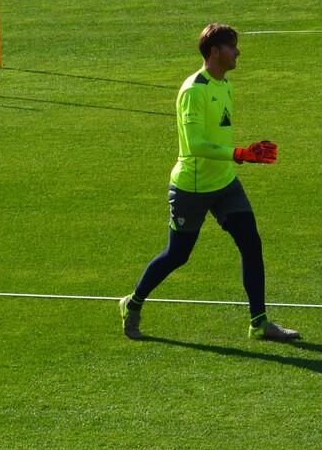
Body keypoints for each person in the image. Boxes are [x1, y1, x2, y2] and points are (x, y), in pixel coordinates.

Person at [119, 23, 299, 342]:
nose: (238, 52)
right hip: (193, 187)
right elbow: (196, 145)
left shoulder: (224, 85)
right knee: (178, 255)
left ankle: (259, 322)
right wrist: (240, 153)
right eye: (232, 46)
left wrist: (240, 154)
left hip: (225, 183)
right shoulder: (194, 90)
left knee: (251, 243)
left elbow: (219, 133)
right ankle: (132, 303)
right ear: (214, 52)